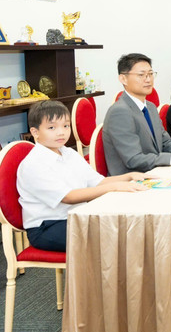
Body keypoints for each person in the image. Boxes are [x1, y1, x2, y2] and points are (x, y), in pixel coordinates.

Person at [17, 101, 149, 252]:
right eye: (52, 127)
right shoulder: (34, 163)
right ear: (35, 132)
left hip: (77, 215)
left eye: (65, 126)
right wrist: (114, 187)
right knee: (115, 235)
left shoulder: (68, 153)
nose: (61, 132)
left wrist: (129, 176)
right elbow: (68, 197)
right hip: (48, 226)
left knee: (128, 223)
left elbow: (97, 182)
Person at [103, 53, 171, 175]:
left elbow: (166, 142)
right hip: (132, 180)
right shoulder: (119, 112)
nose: (148, 79)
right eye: (141, 75)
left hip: (155, 171)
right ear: (123, 79)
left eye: (150, 74)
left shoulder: (150, 107)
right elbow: (134, 159)